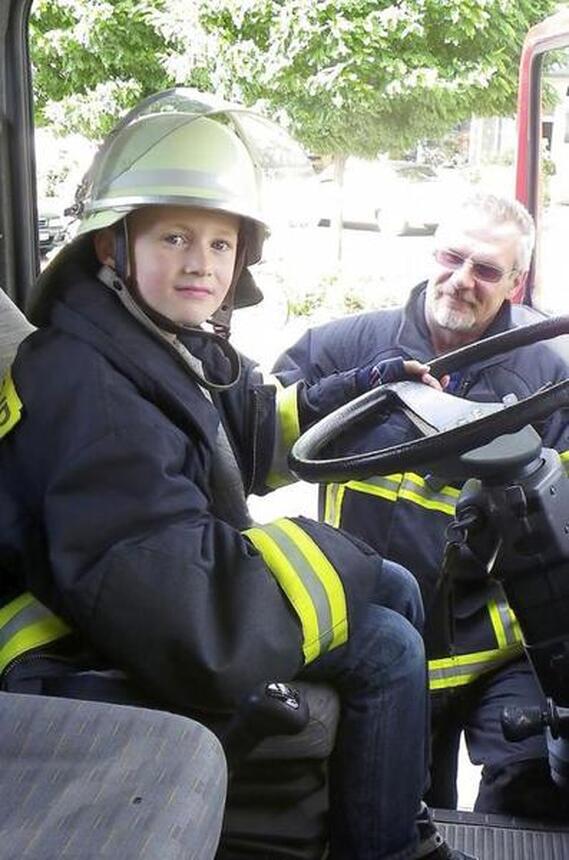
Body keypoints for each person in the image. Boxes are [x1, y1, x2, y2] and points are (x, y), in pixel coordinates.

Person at [0, 89, 472, 860]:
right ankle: (382, 849)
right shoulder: (88, 387)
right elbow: (160, 590)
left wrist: (369, 386)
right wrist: (333, 553)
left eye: (221, 245)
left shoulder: (150, 338)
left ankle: (394, 810)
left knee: (399, 585)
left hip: (150, 586)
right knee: (386, 641)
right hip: (80, 638)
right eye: (174, 237)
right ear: (112, 247)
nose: (201, 263)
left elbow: (235, 433)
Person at [274, 192, 569, 819]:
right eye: (452, 257)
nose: (462, 280)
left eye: (487, 270)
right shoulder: (346, 348)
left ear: (516, 282)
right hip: (381, 642)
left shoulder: (550, 375)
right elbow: (258, 440)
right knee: (400, 810)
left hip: (499, 650)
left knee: (526, 799)